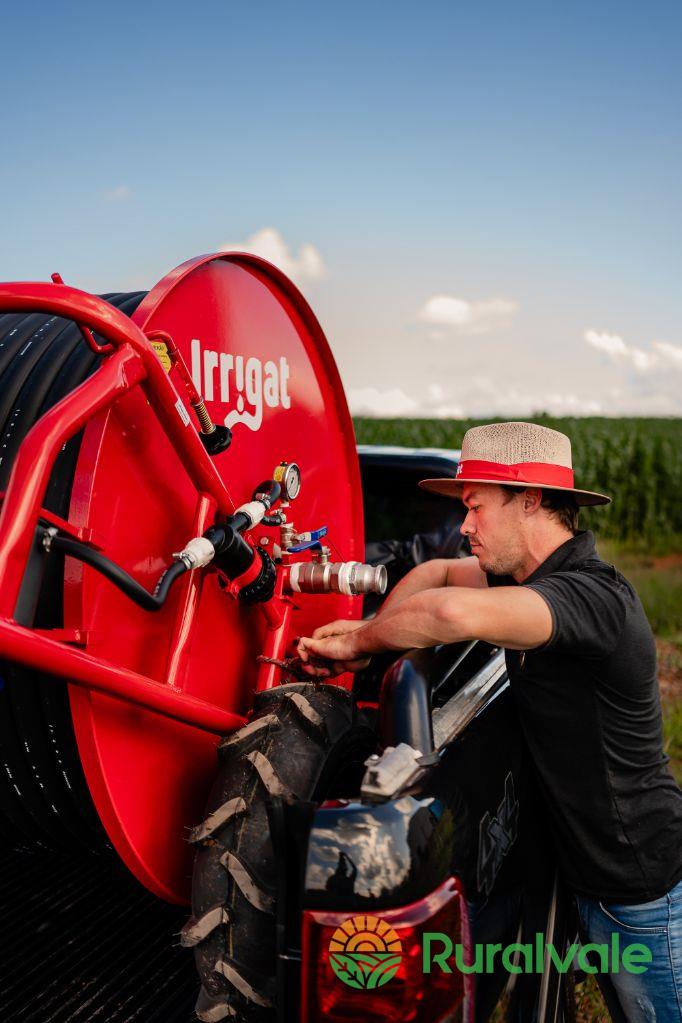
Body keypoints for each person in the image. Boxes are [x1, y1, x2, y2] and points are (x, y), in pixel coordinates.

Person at [297, 421, 682, 1022]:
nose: (465, 525)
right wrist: (377, 641)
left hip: (638, 888)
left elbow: (450, 611)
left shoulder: (591, 597)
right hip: (587, 871)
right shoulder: (527, 578)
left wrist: (360, 643)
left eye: (475, 507)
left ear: (530, 502)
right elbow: (437, 576)